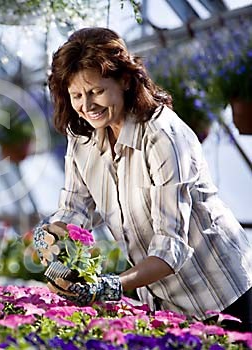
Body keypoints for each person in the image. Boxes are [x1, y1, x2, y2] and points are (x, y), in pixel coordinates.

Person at [33, 27, 252, 332]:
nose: (87, 105)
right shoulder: (81, 136)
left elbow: (170, 245)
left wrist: (106, 287)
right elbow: (74, 210)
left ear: (124, 80)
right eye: (77, 95)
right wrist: (50, 239)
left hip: (224, 295)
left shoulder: (162, 136)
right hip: (165, 305)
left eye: (97, 91)